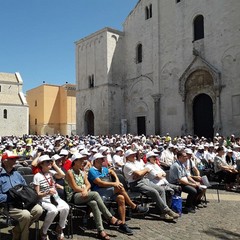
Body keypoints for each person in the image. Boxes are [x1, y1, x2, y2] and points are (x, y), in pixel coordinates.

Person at [88, 152, 149, 235]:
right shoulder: (92, 170)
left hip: (109, 191)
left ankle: (123, 224)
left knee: (121, 198)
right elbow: (99, 183)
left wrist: (116, 180)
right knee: (119, 187)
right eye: (101, 159)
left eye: (103, 158)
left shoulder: (104, 168)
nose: (103, 160)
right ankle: (133, 206)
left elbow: (112, 172)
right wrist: (115, 184)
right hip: (99, 192)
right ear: (96, 160)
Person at [65, 153, 121, 240]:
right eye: (80, 160)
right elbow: (75, 188)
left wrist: (85, 189)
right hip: (74, 196)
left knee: (94, 203)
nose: (83, 162)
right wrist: (84, 190)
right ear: (75, 161)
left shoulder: (82, 172)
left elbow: (88, 184)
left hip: (84, 194)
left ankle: (100, 230)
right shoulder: (70, 172)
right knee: (95, 194)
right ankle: (109, 217)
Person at [123, 149, 179, 221]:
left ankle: (163, 213)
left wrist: (142, 173)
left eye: (134, 154)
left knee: (161, 189)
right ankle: (167, 210)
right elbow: (142, 172)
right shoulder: (127, 165)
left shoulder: (136, 163)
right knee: (154, 191)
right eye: (131, 155)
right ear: (127, 157)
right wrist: (143, 172)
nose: (134, 156)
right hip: (136, 184)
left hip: (144, 180)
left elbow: (143, 173)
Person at [0, 150, 43, 240]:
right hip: (9, 205)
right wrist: (12, 196)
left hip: (23, 203)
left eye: (15, 159)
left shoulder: (17, 174)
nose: (15, 161)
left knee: (38, 210)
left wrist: (24, 195)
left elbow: (26, 188)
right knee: (26, 215)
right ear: (5, 161)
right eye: (12, 159)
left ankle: (16, 230)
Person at [33, 155, 69, 240]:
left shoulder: (51, 173)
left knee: (66, 208)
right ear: (41, 164)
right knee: (53, 210)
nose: (49, 163)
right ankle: (44, 231)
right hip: (44, 199)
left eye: (50, 161)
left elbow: (63, 174)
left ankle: (59, 228)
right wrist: (47, 192)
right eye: (47, 162)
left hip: (55, 198)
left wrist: (54, 165)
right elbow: (38, 194)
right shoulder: (37, 176)